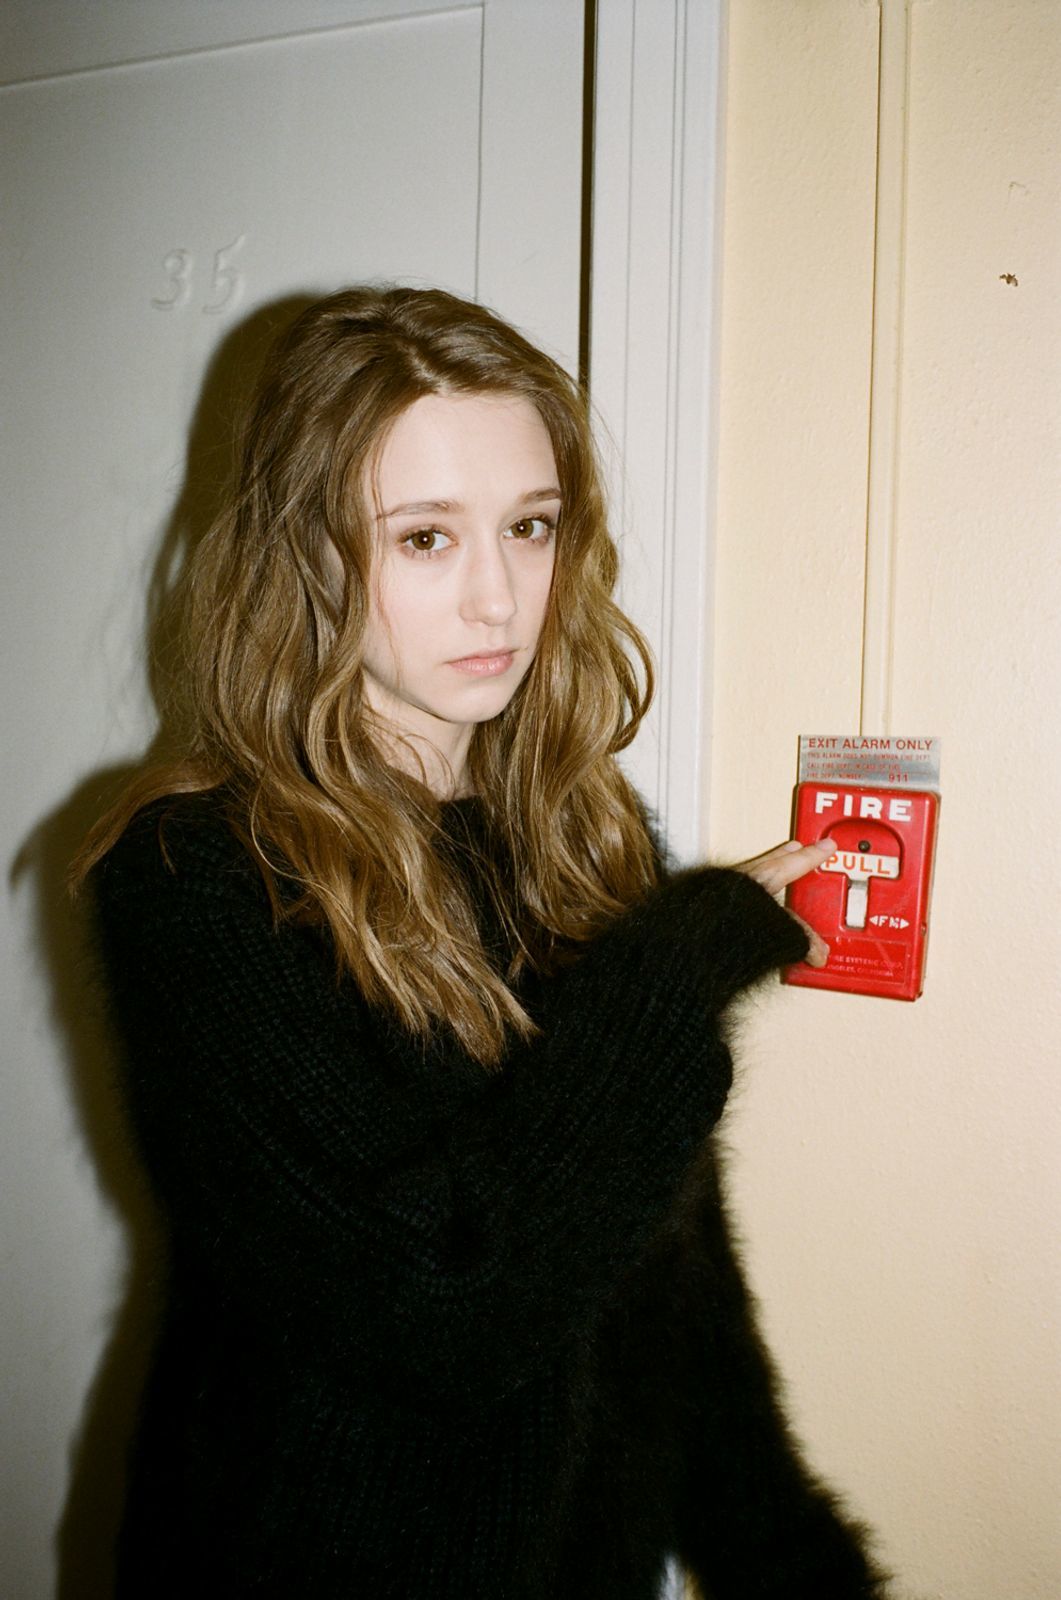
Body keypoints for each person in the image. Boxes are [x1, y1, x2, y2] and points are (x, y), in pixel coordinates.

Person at [75, 286, 889, 1598]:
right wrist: (676, 964)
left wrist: (792, 1557)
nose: (498, 597)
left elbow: (665, 1296)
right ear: (311, 556)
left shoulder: (584, 838)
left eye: (529, 527)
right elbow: (446, 1305)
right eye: (423, 539)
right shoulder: (195, 876)